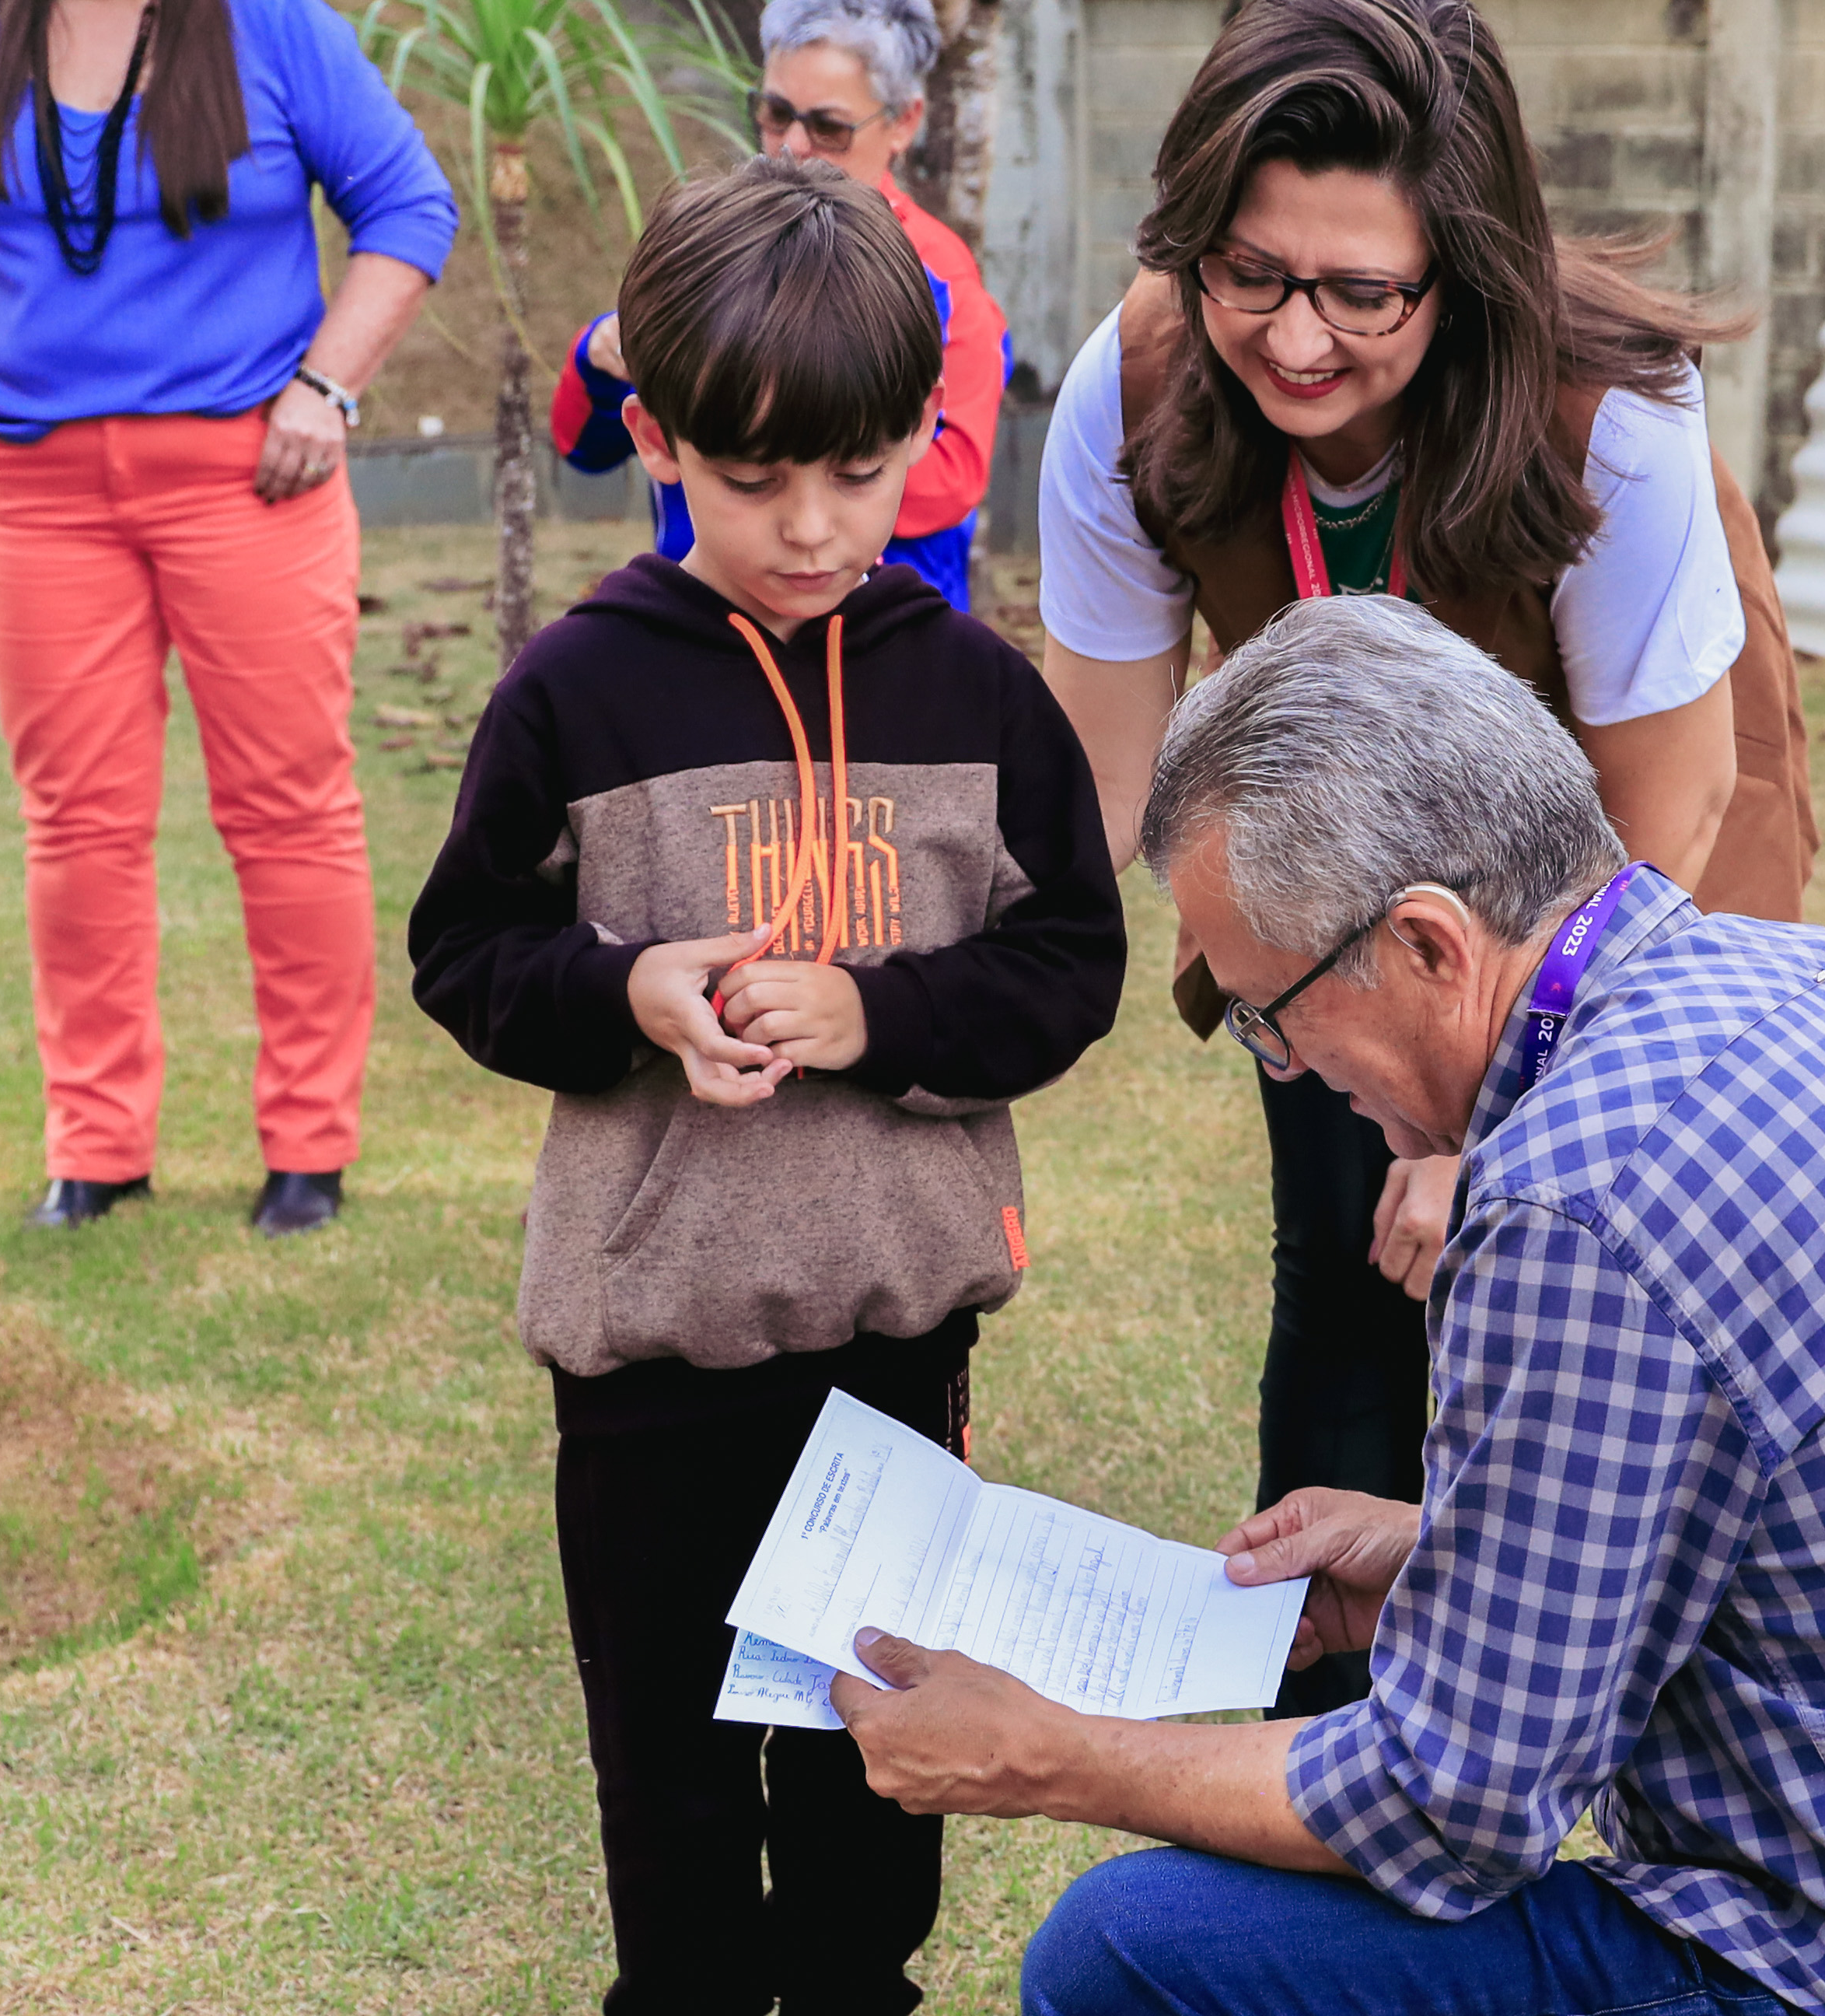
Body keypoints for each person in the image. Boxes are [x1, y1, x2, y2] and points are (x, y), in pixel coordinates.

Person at [823, 597, 1825, 2016]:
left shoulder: (1576, 1197)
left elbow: (1446, 1804)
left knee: (1134, 1954)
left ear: (1423, 942)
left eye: (1268, 1014)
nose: (1286, 1069)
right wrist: (1441, 1560)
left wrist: (1052, 1754)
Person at [1035, 0, 1819, 1710]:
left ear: (1459, 270)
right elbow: (1095, 795)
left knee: (1574, 1260)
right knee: (1342, 1238)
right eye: (1250, 273)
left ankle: (1573, 1695)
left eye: (1360, 293)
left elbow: (1663, 823)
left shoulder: (1613, 419)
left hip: (1630, 845)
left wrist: (1517, 1128)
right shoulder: (1139, 381)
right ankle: (1318, 1712)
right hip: (1339, 848)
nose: (1295, 338)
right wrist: (963, 1024)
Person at [409, 156, 1123, 2016]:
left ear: (926, 441)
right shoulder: (573, 691)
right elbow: (464, 952)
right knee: (668, 1786)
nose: (813, 525)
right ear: (654, 435)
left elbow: (1073, 970)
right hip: (648, 1357)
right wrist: (626, 987)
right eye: (752, 476)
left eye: (860, 471)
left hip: (892, 1354)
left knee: (870, 1765)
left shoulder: (980, 697)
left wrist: (881, 1016)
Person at [0, 0, 454, 1236]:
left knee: (289, 808)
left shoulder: (272, 24)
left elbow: (408, 208)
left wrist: (328, 387)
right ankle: (96, 1147)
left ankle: (309, 1145)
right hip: (35, 483)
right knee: (75, 822)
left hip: (253, 475)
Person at [550, 0, 1010, 612]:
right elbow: (583, 445)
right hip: (706, 629)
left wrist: (766, 454)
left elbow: (955, 476)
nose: (794, 146)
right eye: (775, 115)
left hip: (877, 638)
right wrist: (600, 357)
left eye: (828, 128)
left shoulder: (940, 274)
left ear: (904, 123)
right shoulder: (716, 249)